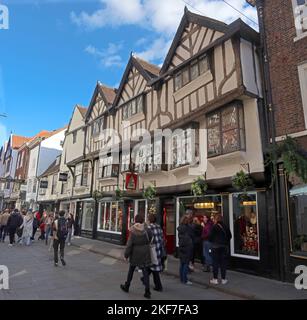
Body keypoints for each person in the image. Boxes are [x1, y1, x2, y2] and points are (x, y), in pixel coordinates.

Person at [120, 214, 153, 299]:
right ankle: (147, 291)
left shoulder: (133, 231)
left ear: (135, 220)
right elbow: (151, 238)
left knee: (131, 270)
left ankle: (127, 286)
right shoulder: (147, 229)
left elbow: (129, 245)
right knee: (145, 272)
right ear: (142, 220)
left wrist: (126, 255)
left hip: (135, 253)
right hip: (145, 252)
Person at [208, 213, 232, 285]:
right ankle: (223, 279)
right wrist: (225, 241)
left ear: (216, 219)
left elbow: (210, 237)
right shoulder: (225, 226)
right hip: (224, 247)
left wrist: (213, 241)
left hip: (215, 247)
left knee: (215, 263)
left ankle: (215, 279)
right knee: (223, 263)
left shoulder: (214, 227)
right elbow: (230, 236)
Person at [146, 214, 166, 292]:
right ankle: (144, 278)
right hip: (159, 250)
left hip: (152, 250)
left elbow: (147, 240)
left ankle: (158, 286)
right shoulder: (158, 227)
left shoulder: (148, 228)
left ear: (149, 220)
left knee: (153, 268)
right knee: (152, 266)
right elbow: (162, 238)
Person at [177, 215, 193, 285]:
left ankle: (181, 278)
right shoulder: (188, 228)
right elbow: (191, 236)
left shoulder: (180, 228)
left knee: (182, 264)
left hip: (181, 247)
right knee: (186, 264)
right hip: (187, 247)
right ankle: (185, 279)